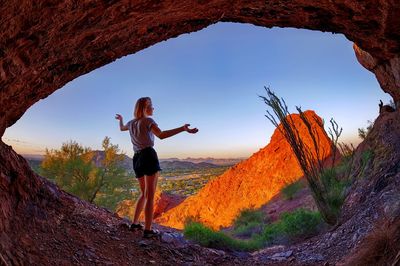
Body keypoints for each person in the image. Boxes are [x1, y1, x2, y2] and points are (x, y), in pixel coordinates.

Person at [115, 97, 198, 238]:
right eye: (151, 106)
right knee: (150, 196)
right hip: (148, 155)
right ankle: (147, 230)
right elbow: (161, 135)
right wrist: (183, 129)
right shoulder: (148, 121)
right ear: (144, 108)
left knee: (143, 193)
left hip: (136, 158)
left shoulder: (131, 123)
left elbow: (122, 128)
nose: (153, 108)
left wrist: (121, 119)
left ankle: (135, 223)